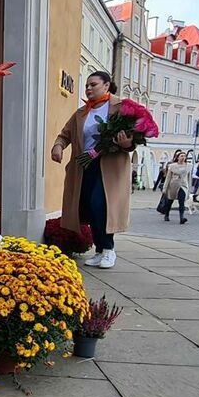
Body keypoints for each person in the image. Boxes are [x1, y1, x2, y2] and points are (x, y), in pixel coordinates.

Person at [51, 70, 133, 269]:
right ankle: (99, 250)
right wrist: (58, 146)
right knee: (87, 206)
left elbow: (134, 138)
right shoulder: (82, 112)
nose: (88, 88)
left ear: (106, 85)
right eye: (87, 85)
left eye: (93, 85)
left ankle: (108, 249)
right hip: (84, 164)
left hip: (109, 166)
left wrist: (126, 143)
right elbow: (65, 134)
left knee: (101, 205)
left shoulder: (121, 108)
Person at [161, 150, 191, 224]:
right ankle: (166, 214)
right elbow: (168, 178)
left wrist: (189, 188)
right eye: (181, 156)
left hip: (183, 186)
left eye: (184, 156)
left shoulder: (188, 166)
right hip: (173, 185)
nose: (183, 157)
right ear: (177, 158)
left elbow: (189, 178)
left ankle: (182, 217)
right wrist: (165, 188)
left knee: (182, 202)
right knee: (169, 202)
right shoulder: (172, 166)